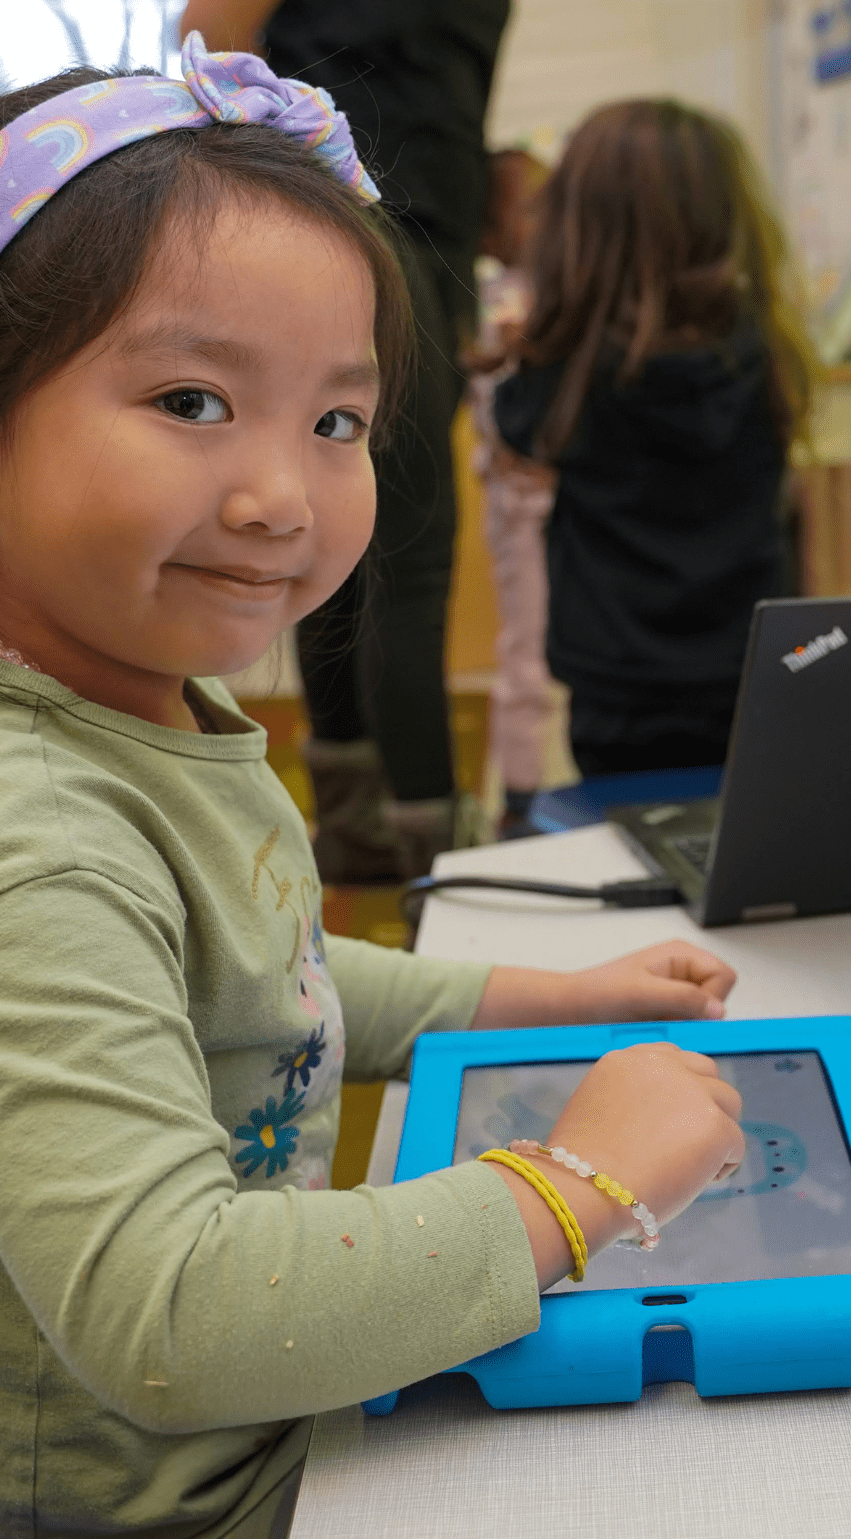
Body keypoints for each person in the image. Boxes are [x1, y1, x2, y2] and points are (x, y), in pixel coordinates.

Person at [0, 40, 744, 1539]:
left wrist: (546, 995)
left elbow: (260, 973)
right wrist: (581, 1184)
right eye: (192, 400)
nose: (280, 498)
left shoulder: (117, 691)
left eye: (336, 423)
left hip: (187, 1465)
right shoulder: (22, 824)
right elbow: (173, 1313)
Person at [183, 0, 513, 882]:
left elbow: (451, 95)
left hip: (433, 243)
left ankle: (362, 827)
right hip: (345, 219)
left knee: (356, 539)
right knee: (405, 560)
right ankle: (435, 857)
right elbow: (209, 39)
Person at [495, 100, 819, 778]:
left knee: (631, 823)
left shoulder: (569, 370)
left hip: (615, 688)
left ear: (582, 230)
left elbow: (513, 424)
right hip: (754, 666)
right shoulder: (765, 352)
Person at [467, 148, 555, 836]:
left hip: (561, 500)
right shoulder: (494, 293)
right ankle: (521, 801)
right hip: (520, 504)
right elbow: (486, 381)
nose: (537, 223)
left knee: (556, 650)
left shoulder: (566, 287)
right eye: (521, 209)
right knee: (525, 650)